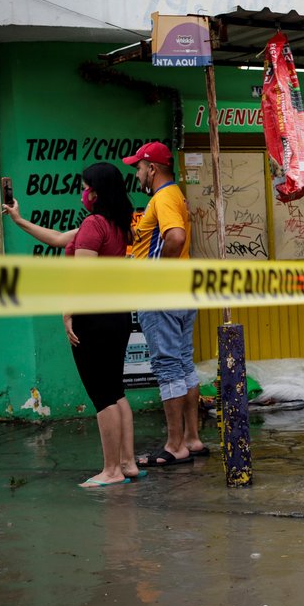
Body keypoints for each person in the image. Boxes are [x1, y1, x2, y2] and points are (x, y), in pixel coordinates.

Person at [3, 162, 141, 487]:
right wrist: (19, 219)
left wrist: (67, 313)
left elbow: (82, 278)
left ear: (96, 191)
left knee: (102, 395)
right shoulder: (114, 223)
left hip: (93, 318)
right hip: (116, 315)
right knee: (115, 391)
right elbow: (56, 238)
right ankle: (128, 463)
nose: (83, 192)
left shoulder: (94, 224)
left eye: (86, 186)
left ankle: (111, 471)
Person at [122, 141, 207, 467]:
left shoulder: (164, 197)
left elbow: (175, 237)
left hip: (162, 295)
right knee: (183, 364)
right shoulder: (175, 195)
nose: (138, 173)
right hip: (182, 292)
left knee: (168, 366)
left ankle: (174, 445)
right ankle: (191, 439)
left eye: (139, 168)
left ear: (152, 168)